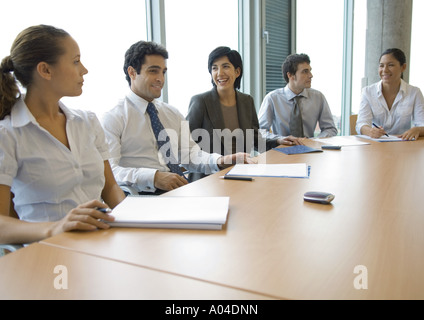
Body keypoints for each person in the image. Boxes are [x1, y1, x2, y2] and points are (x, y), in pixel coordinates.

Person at [0, 25, 126, 245]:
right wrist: (55, 228)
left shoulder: (87, 121)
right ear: (45, 70)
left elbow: (110, 187)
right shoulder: (8, 135)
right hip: (48, 254)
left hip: (102, 241)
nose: (84, 70)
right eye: (76, 61)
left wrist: (131, 220)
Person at [101, 41, 254, 195]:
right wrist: (153, 177)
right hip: (142, 199)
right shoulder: (114, 118)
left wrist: (221, 160)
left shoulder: (172, 113)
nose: (160, 78)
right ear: (132, 72)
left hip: (179, 192)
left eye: (163, 72)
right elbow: (109, 171)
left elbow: (190, 154)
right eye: (153, 71)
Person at [186, 46, 302, 159]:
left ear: (237, 71)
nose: (220, 73)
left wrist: (278, 140)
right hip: (211, 174)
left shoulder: (247, 101)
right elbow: (186, 144)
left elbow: (256, 139)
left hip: (241, 170)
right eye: (214, 68)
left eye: (225, 66)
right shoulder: (200, 101)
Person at [258, 53, 337, 140]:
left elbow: (330, 129)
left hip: (310, 149)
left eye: (310, 71)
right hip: (280, 149)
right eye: (305, 71)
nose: (311, 75)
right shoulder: (272, 98)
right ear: (290, 75)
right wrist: (279, 139)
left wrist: (314, 141)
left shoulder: (318, 97)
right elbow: (259, 132)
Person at [356, 48, 424, 140]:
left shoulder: (414, 93)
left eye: (390, 65)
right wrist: (370, 131)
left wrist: (417, 130)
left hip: (404, 145)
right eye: (381, 66)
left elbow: (422, 124)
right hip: (376, 146)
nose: (385, 70)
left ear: (403, 67)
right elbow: (361, 124)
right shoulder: (367, 92)